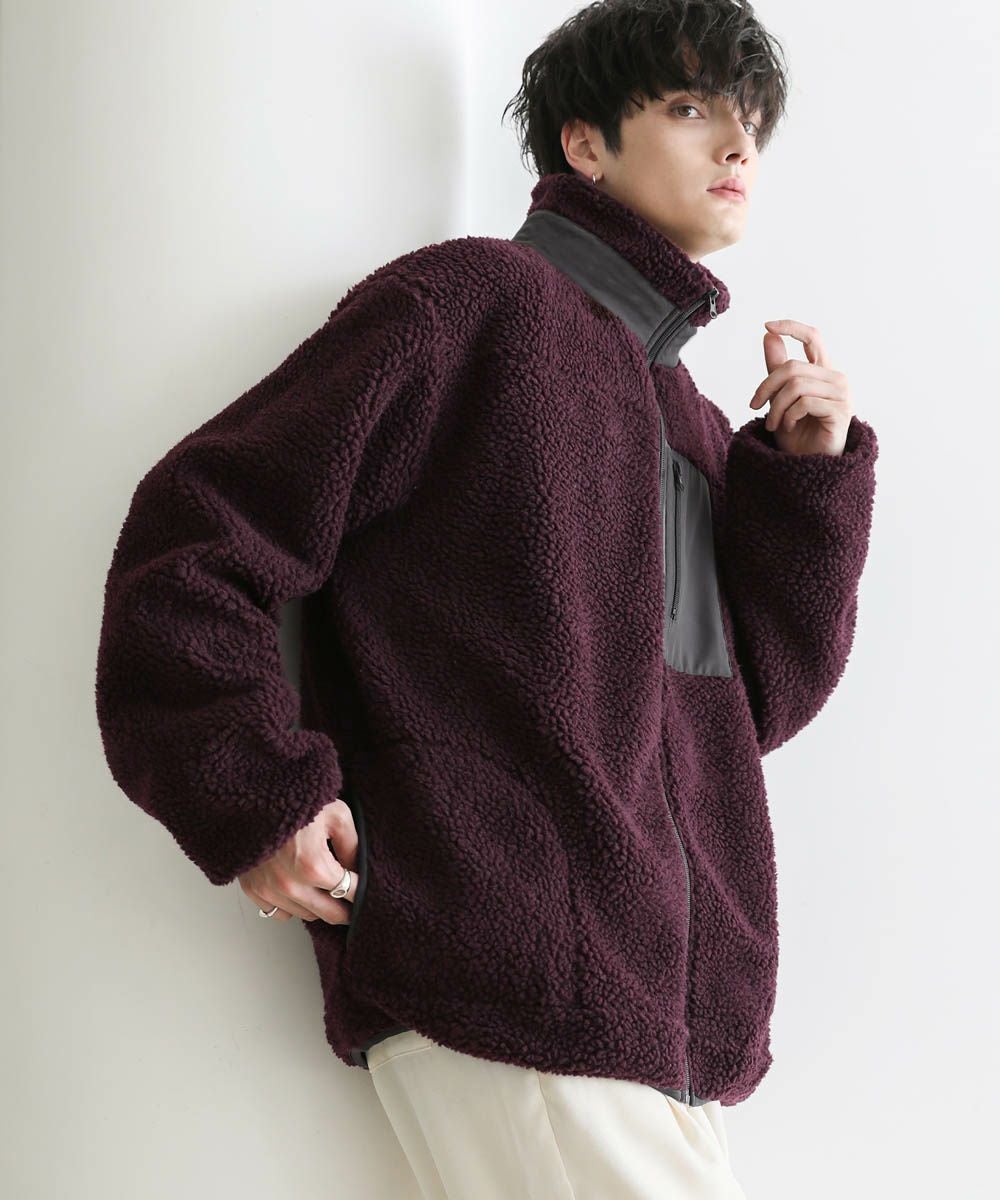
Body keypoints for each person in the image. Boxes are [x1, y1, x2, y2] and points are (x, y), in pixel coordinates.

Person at [95, 1, 879, 1196]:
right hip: (514, 975)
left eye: (751, 123)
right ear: (584, 142)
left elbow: (742, 712)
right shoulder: (473, 306)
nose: (737, 146)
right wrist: (252, 792)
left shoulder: (688, 418)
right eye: (689, 109)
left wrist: (803, 487)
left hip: (648, 1026)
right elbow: (196, 540)